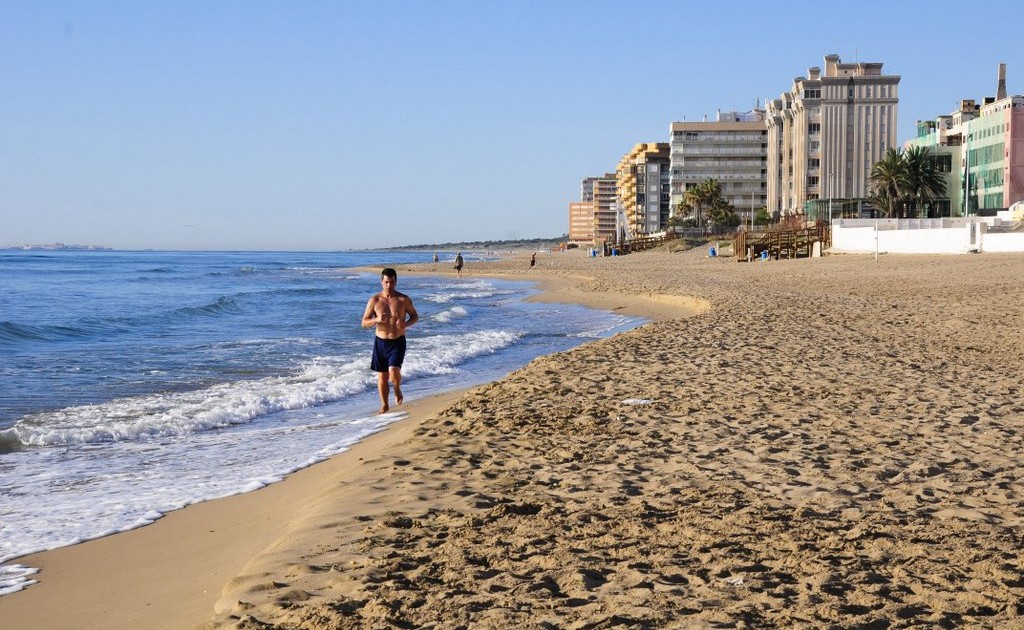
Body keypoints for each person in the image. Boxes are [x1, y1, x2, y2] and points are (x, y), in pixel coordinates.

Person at [361, 268, 419, 414]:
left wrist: (405, 324)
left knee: (393, 371)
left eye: (391, 282)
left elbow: (415, 316)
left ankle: (397, 388)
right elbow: (363, 322)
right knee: (382, 376)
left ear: (395, 282)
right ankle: (384, 404)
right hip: (380, 342)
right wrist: (376, 319)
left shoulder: (403, 299)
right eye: (386, 282)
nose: (389, 285)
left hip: (397, 341)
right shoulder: (374, 300)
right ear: (382, 282)